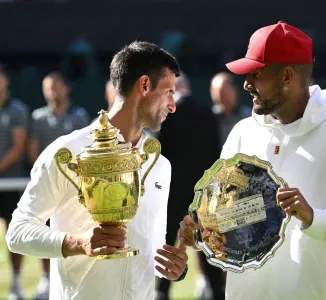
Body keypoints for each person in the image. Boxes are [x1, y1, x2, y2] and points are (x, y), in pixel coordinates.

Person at [178, 21, 326, 300]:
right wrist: (203, 233)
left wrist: (316, 219)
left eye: (256, 74)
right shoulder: (242, 133)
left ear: (286, 76)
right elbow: (231, 220)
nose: (246, 84)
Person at [6, 41, 188, 300]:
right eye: (169, 91)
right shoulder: (67, 153)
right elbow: (17, 233)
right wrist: (78, 243)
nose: (173, 105)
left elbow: (151, 250)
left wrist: (174, 267)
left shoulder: (159, 164)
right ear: (144, 85)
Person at [155, 73, 222, 300]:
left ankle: (161, 291)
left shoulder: (168, 114)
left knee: (166, 242)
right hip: (203, 191)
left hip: (172, 190)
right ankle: (215, 290)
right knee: (207, 242)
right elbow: (216, 153)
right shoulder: (207, 113)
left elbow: (160, 152)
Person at [27, 71, 90, 300]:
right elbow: (34, 150)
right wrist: (46, 177)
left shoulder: (80, 116)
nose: (52, 93)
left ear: (66, 88)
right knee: (43, 229)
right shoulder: (38, 117)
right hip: (48, 186)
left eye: (55, 87)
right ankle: (46, 278)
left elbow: (84, 149)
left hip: (74, 186)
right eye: (47, 88)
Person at [0, 65, 30, 300]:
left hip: (11, 184)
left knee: (14, 233)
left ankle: (17, 283)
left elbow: (19, 146)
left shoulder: (18, 109)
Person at [210, 72, 251, 150]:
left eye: (224, 91)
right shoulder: (208, 117)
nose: (220, 96)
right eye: (216, 92)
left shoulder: (248, 116)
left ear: (235, 90)